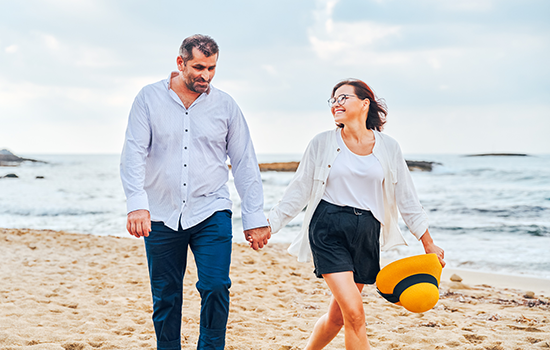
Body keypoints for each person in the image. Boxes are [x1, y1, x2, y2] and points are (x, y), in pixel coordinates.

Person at [268, 79, 445, 350]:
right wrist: (270, 225)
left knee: (338, 317)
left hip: (367, 233)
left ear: (364, 104)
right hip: (329, 229)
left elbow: (406, 197)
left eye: (343, 98)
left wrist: (427, 241)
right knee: (355, 313)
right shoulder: (322, 142)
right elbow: (299, 189)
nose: (336, 103)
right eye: (333, 100)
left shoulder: (389, 147)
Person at [120, 34, 271, 350]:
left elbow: (244, 161)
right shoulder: (148, 98)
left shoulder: (226, 106)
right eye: (199, 67)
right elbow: (133, 152)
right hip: (160, 213)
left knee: (216, 286)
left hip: (211, 210)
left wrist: (254, 217)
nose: (206, 75)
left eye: (212, 68)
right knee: (166, 294)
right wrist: (137, 204)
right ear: (180, 63)